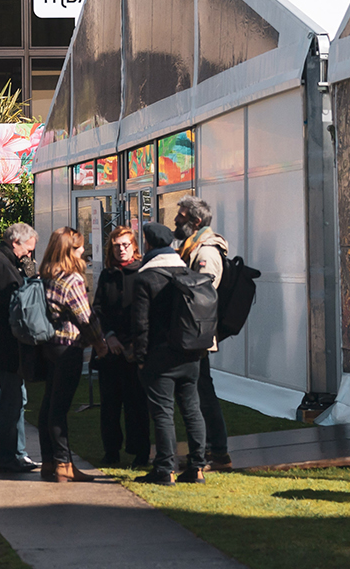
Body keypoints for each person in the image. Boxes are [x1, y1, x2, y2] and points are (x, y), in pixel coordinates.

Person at [129, 221, 209, 486]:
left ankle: (165, 469)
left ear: (148, 244)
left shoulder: (144, 278)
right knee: (192, 409)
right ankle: (197, 467)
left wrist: (140, 358)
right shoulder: (186, 272)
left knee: (163, 412)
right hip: (190, 353)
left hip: (159, 356)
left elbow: (141, 324)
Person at [38, 226, 106, 482]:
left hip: (49, 345)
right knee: (59, 408)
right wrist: (100, 343)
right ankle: (63, 464)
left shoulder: (45, 276)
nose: (83, 253)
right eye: (79, 248)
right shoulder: (72, 279)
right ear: (69, 251)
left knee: (48, 405)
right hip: (69, 348)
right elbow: (85, 317)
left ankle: (48, 461)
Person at [0, 223, 41, 474]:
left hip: (1, 344)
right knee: (13, 401)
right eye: (27, 249)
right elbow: (17, 300)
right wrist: (30, 278)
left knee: (16, 399)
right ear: (16, 242)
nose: (29, 254)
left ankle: (16, 453)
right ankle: (8, 455)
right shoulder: (1, 263)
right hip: (5, 345)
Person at [176, 196, 232, 471]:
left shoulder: (206, 253)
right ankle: (210, 450)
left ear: (196, 222)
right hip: (193, 333)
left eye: (181, 215)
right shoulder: (192, 248)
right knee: (198, 392)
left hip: (197, 334)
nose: (176, 220)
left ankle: (217, 452)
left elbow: (200, 295)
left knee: (202, 394)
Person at [93, 224, 149, 467]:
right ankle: (111, 452)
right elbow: (98, 309)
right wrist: (110, 336)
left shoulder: (143, 273)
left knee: (137, 405)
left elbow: (146, 313)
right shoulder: (107, 275)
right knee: (110, 406)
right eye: (116, 246)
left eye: (125, 245)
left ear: (134, 246)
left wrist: (134, 345)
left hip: (135, 351)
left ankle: (140, 453)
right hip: (111, 351)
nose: (121, 250)